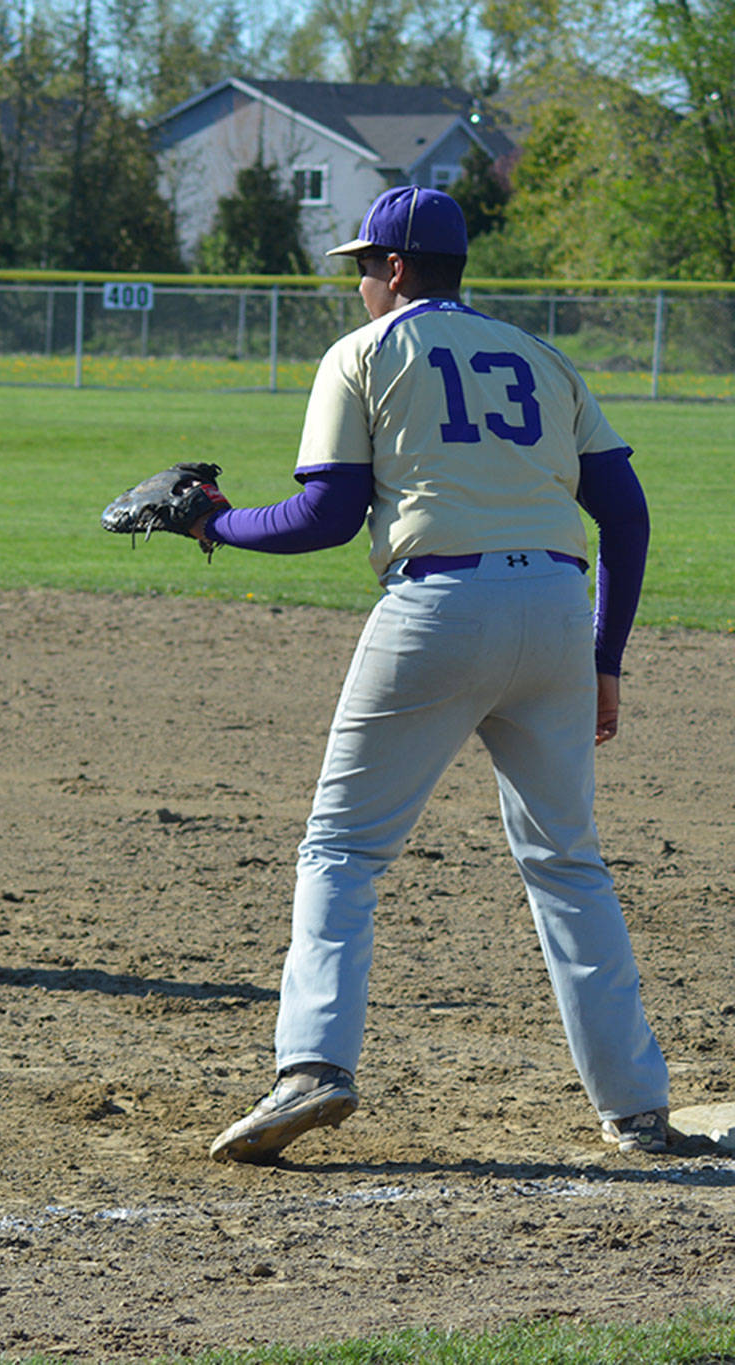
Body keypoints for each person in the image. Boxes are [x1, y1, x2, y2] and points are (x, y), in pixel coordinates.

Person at [192, 187, 670, 1162]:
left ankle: (310, 1068)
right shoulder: (541, 358)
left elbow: (323, 517)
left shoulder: (362, 354)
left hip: (435, 609)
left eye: (364, 266)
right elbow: (623, 515)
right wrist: (603, 656)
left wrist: (210, 523)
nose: (359, 282)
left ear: (397, 270)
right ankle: (635, 1105)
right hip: (551, 615)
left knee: (339, 850)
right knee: (567, 864)